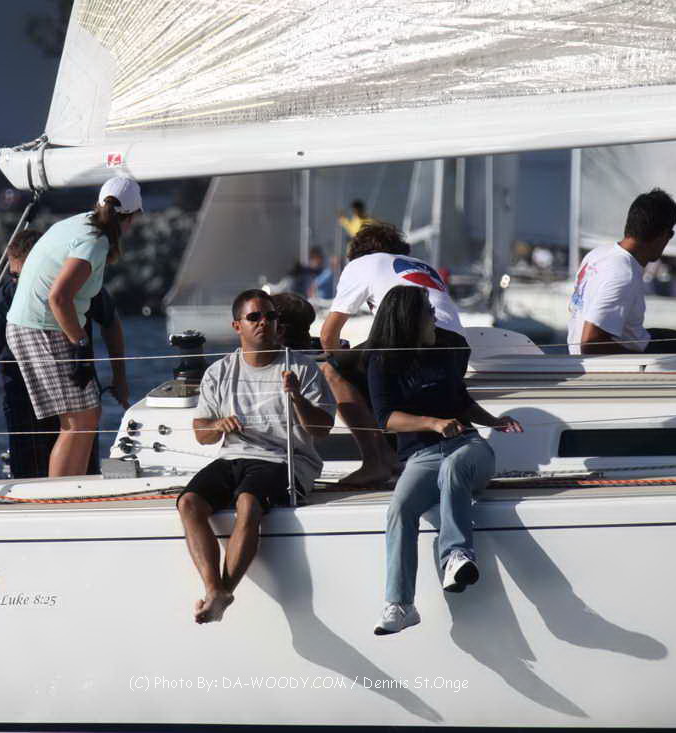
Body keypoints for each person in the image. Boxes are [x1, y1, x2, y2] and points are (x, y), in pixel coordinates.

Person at [366, 286, 522, 635]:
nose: (434, 317)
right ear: (409, 318)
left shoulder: (444, 350)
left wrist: (493, 422)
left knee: (453, 469)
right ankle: (400, 605)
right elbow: (386, 418)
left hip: (467, 447)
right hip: (421, 455)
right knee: (400, 508)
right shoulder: (381, 360)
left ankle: (457, 555)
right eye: (428, 311)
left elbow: (462, 401)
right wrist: (433, 423)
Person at [178, 289, 334, 624]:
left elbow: (322, 429)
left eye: (270, 316)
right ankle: (215, 589)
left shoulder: (302, 368)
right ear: (237, 326)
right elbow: (201, 433)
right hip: (232, 456)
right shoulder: (219, 371)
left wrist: (297, 398)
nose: (264, 322)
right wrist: (218, 424)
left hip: (286, 460)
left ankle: (224, 591)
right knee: (188, 503)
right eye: (254, 317)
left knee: (248, 502)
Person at [0, 229, 131, 478]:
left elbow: (110, 322)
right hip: (24, 397)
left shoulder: (74, 284)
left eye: (24, 274)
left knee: (83, 464)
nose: (18, 282)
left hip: (75, 388)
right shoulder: (5, 298)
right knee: (30, 475)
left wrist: (120, 377)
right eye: (13, 276)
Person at [5, 176, 141, 477]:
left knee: (85, 416)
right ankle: (62, 495)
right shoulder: (95, 242)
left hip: (34, 326)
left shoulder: (78, 223)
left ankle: (72, 489)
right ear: (132, 217)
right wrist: (80, 345)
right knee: (78, 421)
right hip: (41, 327)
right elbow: (59, 298)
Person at [320, 221, 468, 487]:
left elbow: (328, 335)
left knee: (331, 372)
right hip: (456, 349)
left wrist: (338, 360)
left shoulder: (362, 264)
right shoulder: (422, 265)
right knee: (373, 367)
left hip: (412, 341)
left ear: (358, 252)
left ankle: (376, 461)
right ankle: (395, 455)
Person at [568, 188, 676, 355]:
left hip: (583, 351)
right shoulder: (623, 274)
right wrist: (645, 361)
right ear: (662, 235)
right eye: (670, 233)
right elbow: (590, 344)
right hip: (606, 359)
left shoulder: (597, 254)